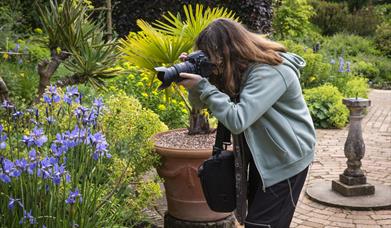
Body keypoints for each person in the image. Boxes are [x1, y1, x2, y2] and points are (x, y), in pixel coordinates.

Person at [177, 18, 316, 228]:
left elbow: (237, 119)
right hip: (262, 155)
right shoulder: (239, 69)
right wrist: (197, 78)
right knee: (258, 220)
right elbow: (200, 105)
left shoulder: (270, 71)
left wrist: (204, 88)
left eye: (212, 54)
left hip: (285, 158)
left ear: (229, 50)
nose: (213, 61)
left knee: (261, 224)